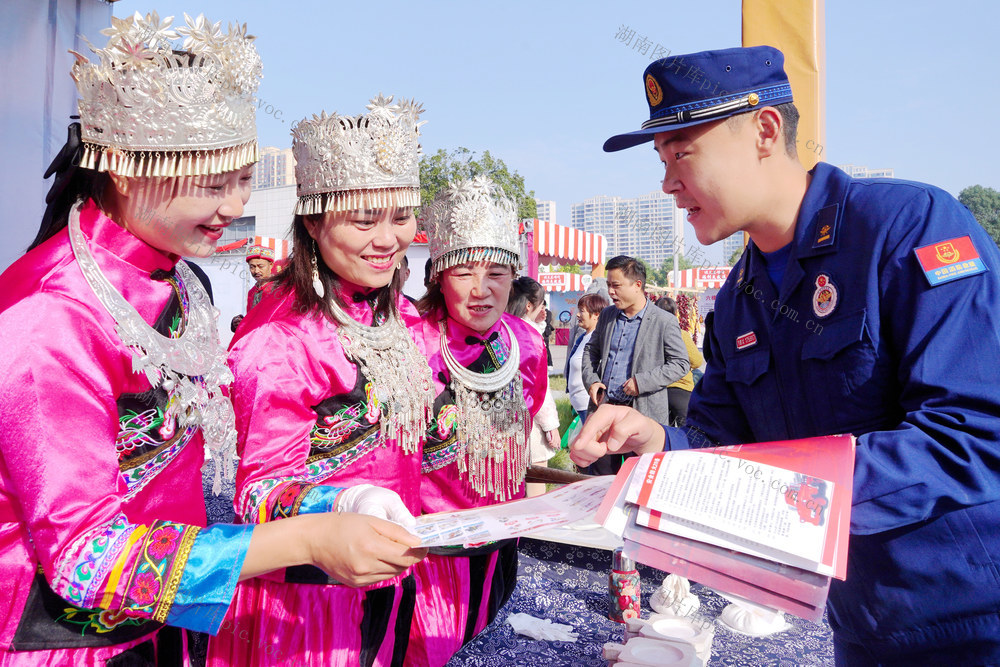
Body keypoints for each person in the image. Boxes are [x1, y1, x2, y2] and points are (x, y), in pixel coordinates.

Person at [0, 15, 421, 666]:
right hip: (61, 641)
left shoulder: (184, 282)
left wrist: (342, 500)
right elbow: (84, 555)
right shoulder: (51, 313)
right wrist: (308, 539)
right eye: (210, 181)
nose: (231, 205)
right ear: (121, 164)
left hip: (168, 623)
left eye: (242, 177)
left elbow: (215, 486)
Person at [573, 45, 1000, 664]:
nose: (667, 182)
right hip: (861, 626)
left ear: (765, 131)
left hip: (974, 622)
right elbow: (719, 442)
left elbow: (975, 434)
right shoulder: (740, 298)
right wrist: (657, 444)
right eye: (661, 159)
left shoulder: (908, 228)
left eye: (683, 152)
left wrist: (795, 495)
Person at [207, 95, 434, 666]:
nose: (387, 239)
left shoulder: (406, 321)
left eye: (401, 216)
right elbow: (256, 495)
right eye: (363, 219)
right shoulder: (279, 342)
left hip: (395, 584)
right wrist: (347, 499)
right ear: (313, 220)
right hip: (306, 607)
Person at [409, 176, 549, 665]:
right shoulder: (409, 341)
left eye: (496, 272)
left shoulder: (529, 345)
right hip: (427, 554)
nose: (481, 289)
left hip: (498, 544)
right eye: (464, 271)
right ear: (436, 275)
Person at [581, 255, 689, 473]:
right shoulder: (608, 316)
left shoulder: (663, 321)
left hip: (643, 416)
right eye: (609, 285)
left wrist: (642, 382)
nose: (610, 291)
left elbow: (680, 363)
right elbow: (590, 350)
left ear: (637, 285)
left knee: (640, 480)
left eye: (616, 285)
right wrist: (592, 381)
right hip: (605, 412)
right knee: (601, 482)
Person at [508, 276, 561, 495]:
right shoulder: (529, 337)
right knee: (535, 490)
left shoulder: (499, 326)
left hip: (500, 424)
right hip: (529, 423)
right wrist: (551, 426)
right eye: (541, 305)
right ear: (529, 305)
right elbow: (539, 389)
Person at [655, 296, 704, 426]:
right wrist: (683, 366)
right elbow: (697, 361)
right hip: (681, 390)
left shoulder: (651, 335)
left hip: (657, 392)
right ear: (675, 313)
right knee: (688, 432)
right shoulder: (681, 334)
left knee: (663, 434)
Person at [565, 293, 610, 423]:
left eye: (582, 311)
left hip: (588, 406)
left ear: (596, 315)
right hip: (579, 406)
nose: (578, 315)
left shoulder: (599, 341)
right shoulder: (583, 338)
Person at [245, 241, 276, 311]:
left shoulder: (279, 289)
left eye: (260, 266)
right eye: (252, 267)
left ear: (271, 265)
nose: (256, 271)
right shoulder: (251, 292)